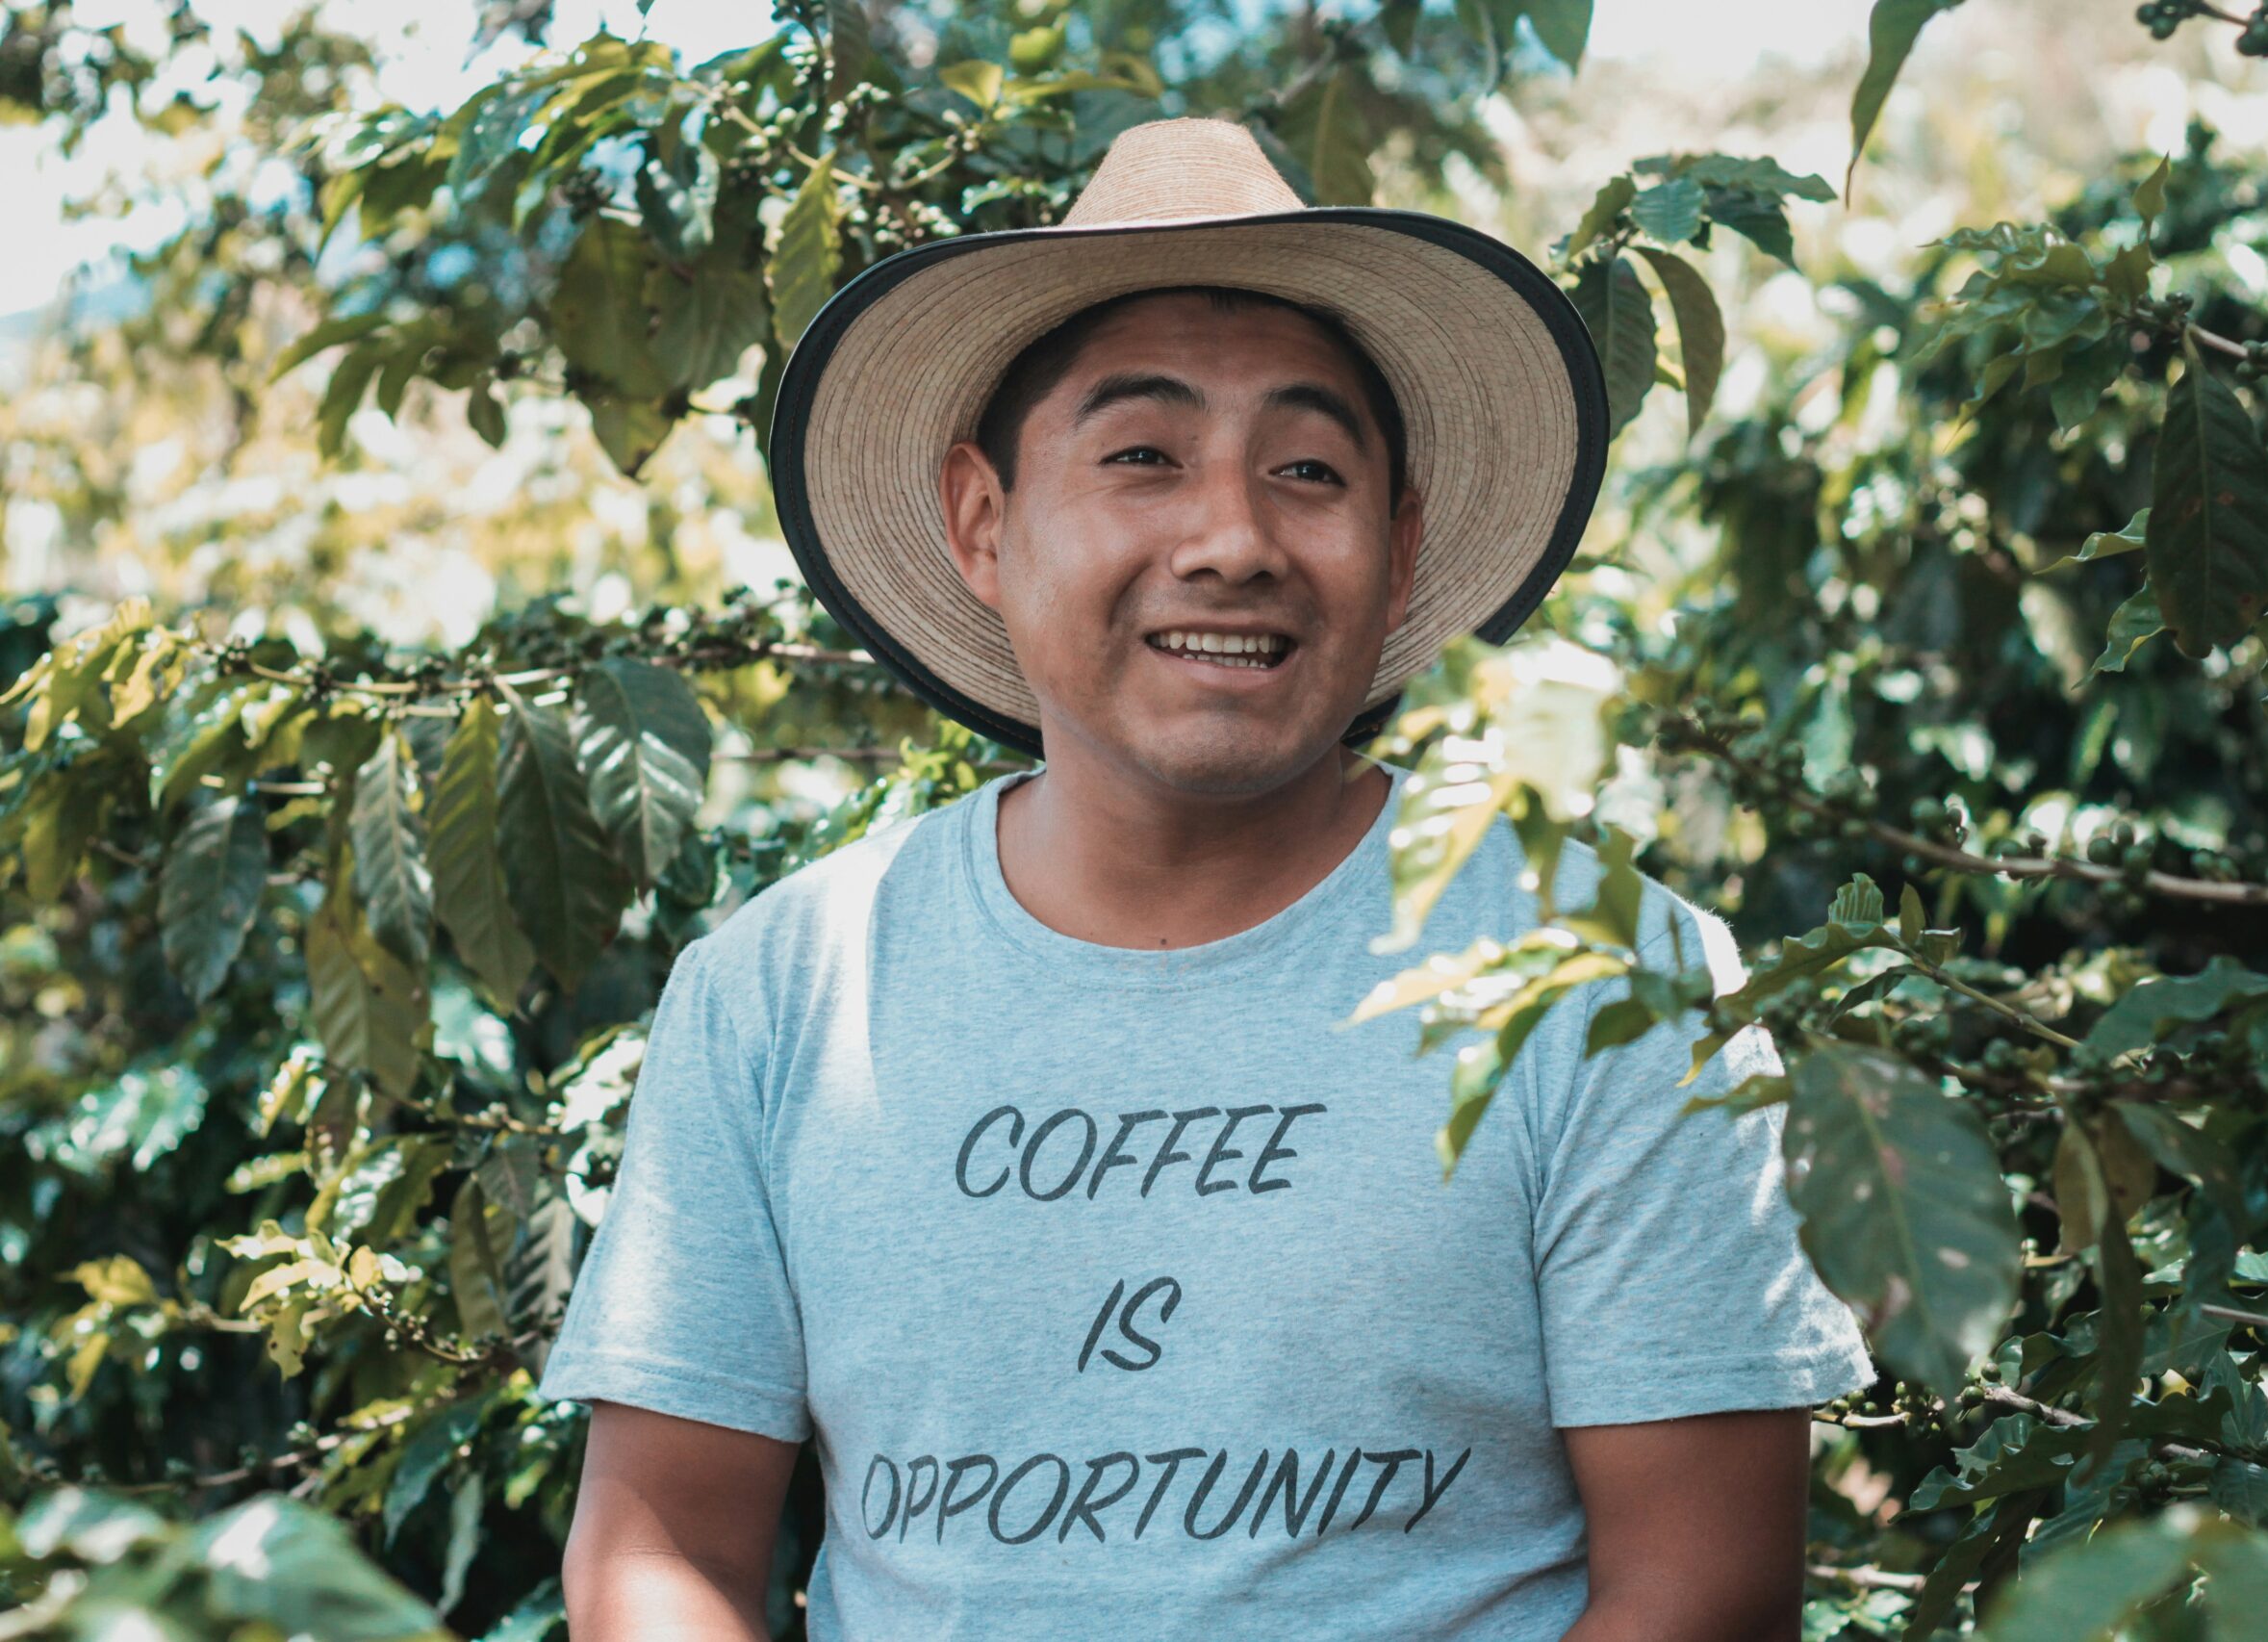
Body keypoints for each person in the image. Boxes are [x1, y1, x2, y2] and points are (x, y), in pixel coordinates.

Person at [540, 116, 1873, 1641]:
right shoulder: (784, 993)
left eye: (1308, 469)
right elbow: (662, 1554)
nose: (1233, 538)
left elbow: (1703, 1587)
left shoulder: (1613, 982)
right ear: (984, 522)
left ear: (1400, 536)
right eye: (1143, 458)